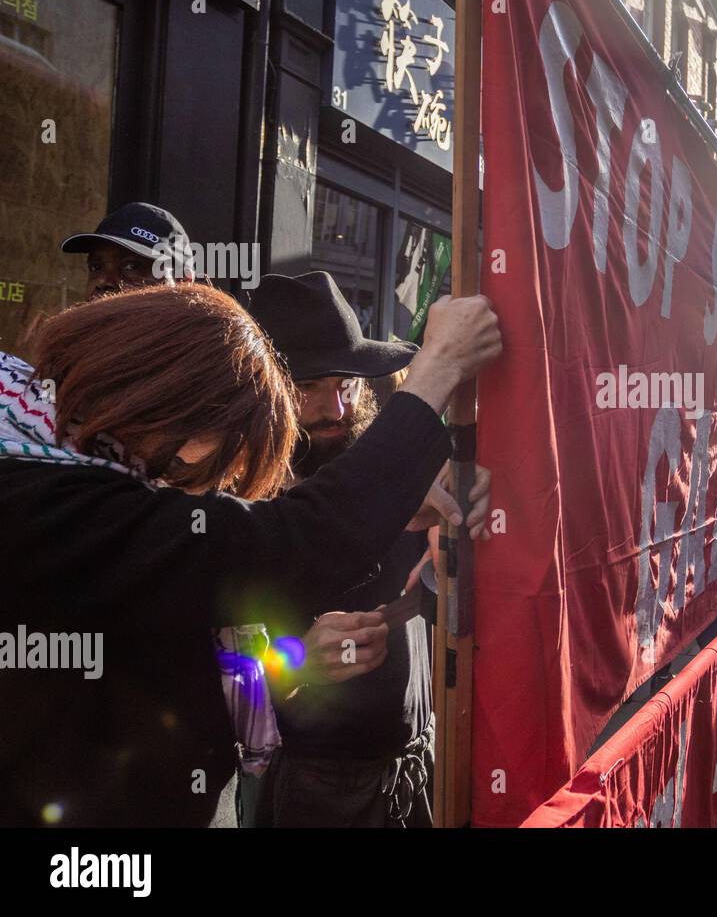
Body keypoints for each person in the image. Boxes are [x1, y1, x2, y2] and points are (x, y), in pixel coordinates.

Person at [0, 283, 501, 826]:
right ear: (168, 402)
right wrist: (442, 366)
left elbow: (168, 657)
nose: (222, 474)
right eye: (229, 439)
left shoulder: (63, 463)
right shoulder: (46, 503)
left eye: (347, 385)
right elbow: (289, 543)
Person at [240, 272, 491, 828]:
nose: (334, 408)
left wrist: (463, 507)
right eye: (308, 388)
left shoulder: (393, 476)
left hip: (413, 772)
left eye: (345, 384)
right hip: (317, 793)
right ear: (265, 394)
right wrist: (297, 659)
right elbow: (211, 682)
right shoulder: (242, 511)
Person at [60, 201, 197, 300]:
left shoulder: (204, 339)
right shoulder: (76, 338)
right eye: (96, 267)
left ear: (183, 282)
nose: (102, 281)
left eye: (130, 266)